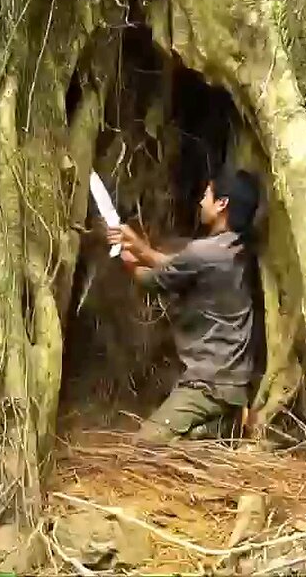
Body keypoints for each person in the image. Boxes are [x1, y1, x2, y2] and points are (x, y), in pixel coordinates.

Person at [106, 169, 261, 443]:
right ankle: (216, 427)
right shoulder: (236, 249)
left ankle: (213, 429)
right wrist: (138, 247)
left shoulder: (204, 253)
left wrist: (126, 254)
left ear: (222, 204)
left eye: (206, 195)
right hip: (234, 384)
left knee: (143, 445)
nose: (201, 201)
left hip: (208, 384)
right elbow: (179, 265)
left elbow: (151, 280)